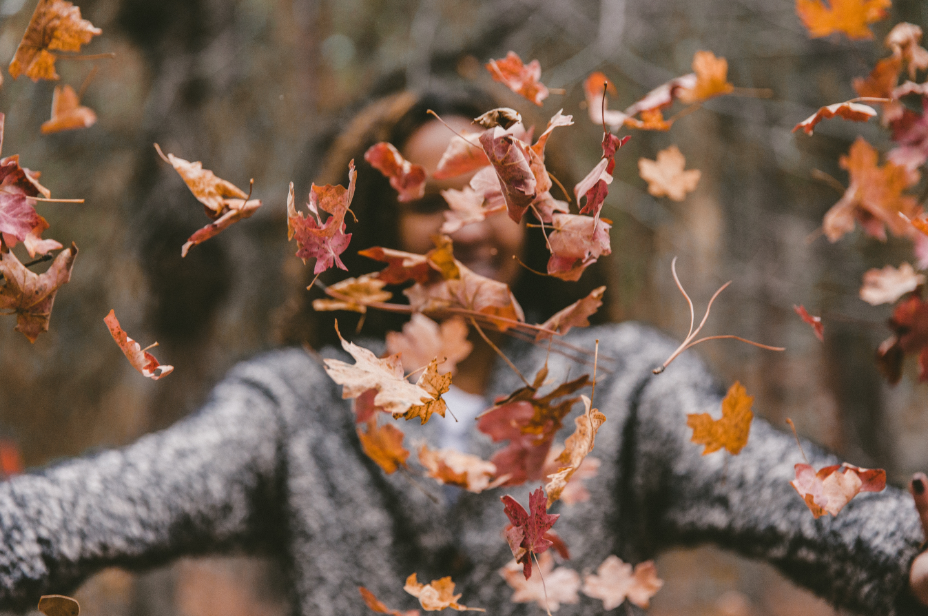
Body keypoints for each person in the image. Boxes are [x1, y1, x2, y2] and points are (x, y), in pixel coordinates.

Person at [0, 80, 927, 616]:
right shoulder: (298, 407)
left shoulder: (619, 390)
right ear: (371, 232)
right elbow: (119, 498)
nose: (468, 225)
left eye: (493, 195)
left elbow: (787, 496)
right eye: (428, 198)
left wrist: (909, 553)